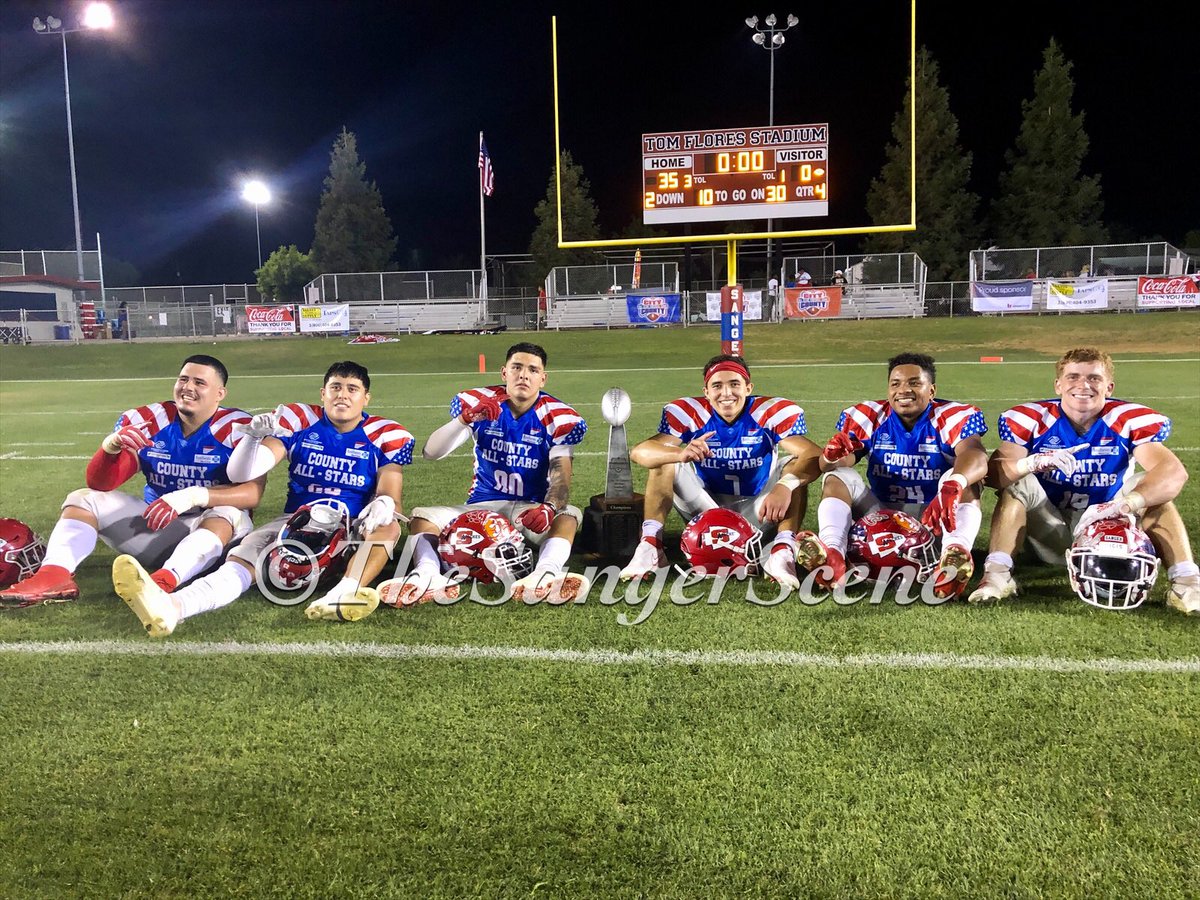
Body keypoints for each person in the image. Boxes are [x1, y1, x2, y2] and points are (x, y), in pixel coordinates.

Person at [112, 361, 412, 635]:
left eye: (352, 389)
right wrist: (253, 440)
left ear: (365, 398)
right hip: (295, 521)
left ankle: (345, 592)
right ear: (323, 393)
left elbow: (391, 496)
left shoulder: (383, 433)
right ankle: (174, 606)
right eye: (335, 387)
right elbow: (246, 472)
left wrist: (383, 503)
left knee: (389, 525)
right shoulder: (300, 420)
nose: (342, 396)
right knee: (245, 556)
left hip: (354, 521)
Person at [0, 355, 261, 607]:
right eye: (183, 379)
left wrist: (194, 496)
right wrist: (110, 449)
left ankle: (162, 583)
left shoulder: (239, 427)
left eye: (199, 383)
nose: (188, 388)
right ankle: (54, 577)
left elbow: (252, 493)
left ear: (220, 393)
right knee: (83, 499)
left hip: (218, 540)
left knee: (225, 511)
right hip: (162, 528)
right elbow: (101, 483)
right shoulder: (149, 419)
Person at [968, 347, 1199, 614]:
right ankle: (998, 574)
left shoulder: (1126, 419)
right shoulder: (1032, 419)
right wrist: (1030, 463)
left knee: (1151, 486)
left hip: (1110, 526)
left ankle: (1186, 583)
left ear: (1109, 387)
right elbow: (993, 476)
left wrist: (1126, 504)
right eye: (1073, 377)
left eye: (1094, 378)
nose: (1083, 385)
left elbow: (1173, 472)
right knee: (1019, 483)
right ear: (1058, 385)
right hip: (1050, 529)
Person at [393, 342, 590, 605]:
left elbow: (561, 475)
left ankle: (546, 573)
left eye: (533, 370)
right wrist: (464, 419)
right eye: (517, 367)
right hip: (481, 508)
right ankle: (427, 574)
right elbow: (431, 452)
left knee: (568, 516)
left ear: (543, 378)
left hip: (529, 511)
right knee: (421, 518)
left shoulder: (558, 416)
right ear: (504, 372)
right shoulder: (481, 403)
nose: (523, 375)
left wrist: (549, 508)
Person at [618, 354, 822, 588]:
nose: (726, 393)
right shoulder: (690, 412)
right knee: (664, 460)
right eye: (717, 386)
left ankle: (782, 551)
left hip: (758, 509)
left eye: (734, 384)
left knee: (793, 467)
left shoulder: (769, 412)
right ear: (706, 392)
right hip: (706, 510)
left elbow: (813, 454)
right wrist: (679, 454)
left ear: (748, 388)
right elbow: (640, 452)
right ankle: (650, 546)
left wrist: (784, 487)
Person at [796, 352, 989, 597]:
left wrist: (954, 483)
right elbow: (834, 464)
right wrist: (830, 457)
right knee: (838, 475)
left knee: (963, 479)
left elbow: (976, 455)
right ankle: (833, 553)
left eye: (914, 383)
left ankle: (953, 556)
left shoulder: (951, 416)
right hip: (883, 516)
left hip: (937, 517)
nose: (903, 390)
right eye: (895, 384)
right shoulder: (869, 416)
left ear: (932, 390)